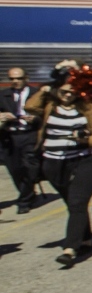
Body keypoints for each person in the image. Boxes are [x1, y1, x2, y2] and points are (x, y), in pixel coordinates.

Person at [28, 77, 92, 265]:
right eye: (63, 91)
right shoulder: (49, 105)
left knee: (77, 200)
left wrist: (85, 140)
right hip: (54, 162)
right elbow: (30, 108)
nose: (67, 95)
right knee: (73, 203)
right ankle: (86, 239)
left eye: (71, 92)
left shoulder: (89, 107)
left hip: (88, 159)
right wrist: (44, 90)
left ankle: (70, 248)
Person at [0, 66, 42, 212]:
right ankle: (29, 194)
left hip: (29, 134)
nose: (15, 81)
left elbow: (47, 113)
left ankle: (24, 201)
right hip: (10, 136)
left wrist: (36, 118)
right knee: (15, 169)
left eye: (19, 78)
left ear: (26, 78)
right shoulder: (3, 95)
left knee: (30, 167)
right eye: (12, 79)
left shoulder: (36, 93)